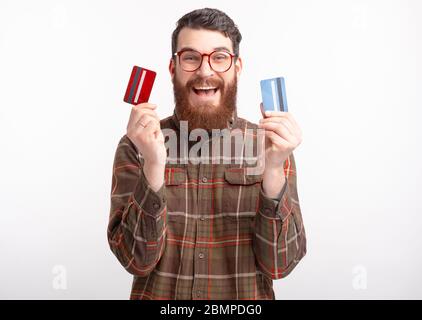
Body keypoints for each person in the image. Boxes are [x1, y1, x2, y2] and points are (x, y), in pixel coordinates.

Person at [107, 8, 306, 300]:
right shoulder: (136, 145)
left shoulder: (272, 147)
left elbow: (279, 265)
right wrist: (153, 166)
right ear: (173, 68)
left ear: (237, 68)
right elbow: (135, 260)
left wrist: (274, 171)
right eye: (190, 57)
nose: (205, 70)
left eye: (219, 57)